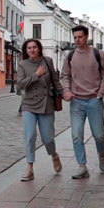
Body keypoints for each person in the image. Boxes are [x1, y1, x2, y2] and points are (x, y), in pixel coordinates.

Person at [62, 25, 104, 179]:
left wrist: (100, 94)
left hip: (94, 101)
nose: (77, 40)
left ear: (87, 36)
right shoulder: (70, 56)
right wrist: (67, 90)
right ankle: (82, 166)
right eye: (75, 37)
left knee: (99, 135)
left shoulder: (98, 54)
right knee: (76, 135)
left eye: (80, 37)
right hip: (76, 101)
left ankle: (101, 154)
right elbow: (65, 76)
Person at [16, 39, 64, 181]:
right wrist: (36, 75)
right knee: (30, 136)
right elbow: (19, 85)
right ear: (26, 51)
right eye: (29, 48)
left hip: (46, 103)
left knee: (47, 137)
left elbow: (55, 81)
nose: (31, 50)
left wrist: (63, 93)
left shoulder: (48, 61)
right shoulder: (22, 65)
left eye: (34, 47)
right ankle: (30, 168)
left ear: (39, 49)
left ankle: (54, 155)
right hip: (29, 104)